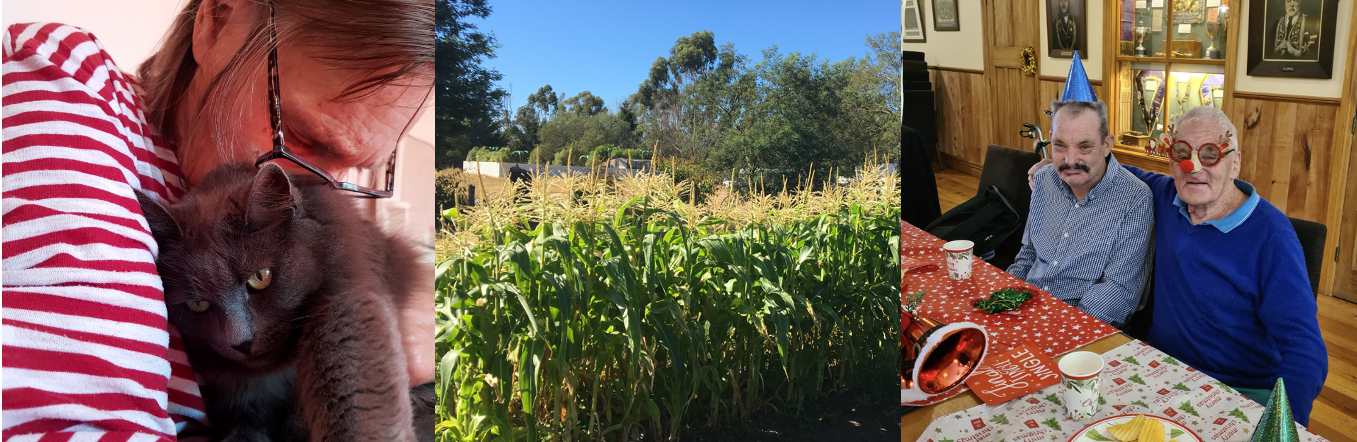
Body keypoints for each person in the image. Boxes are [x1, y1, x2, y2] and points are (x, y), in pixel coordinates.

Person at [1, 0, 433, 438]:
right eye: (301, 137)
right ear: (218, 19)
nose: (323, 187)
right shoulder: (70, 81)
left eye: (356, 168)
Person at [1027, 106, 1328, 425]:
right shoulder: (1163, 194)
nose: (1193, 166)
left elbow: (1306, 351)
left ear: (1235, 162)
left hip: (1238, 390)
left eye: (1210, 153)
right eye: (1181, 152)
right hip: (1157, 368)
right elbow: (1113, 172)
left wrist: (1282, 428)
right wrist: (1066, 163)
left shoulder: (1272, 236)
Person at [1008, 99, 1153, 328]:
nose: (1070, 160)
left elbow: (1120, 290)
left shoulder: (1135, 199)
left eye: (1085, 146)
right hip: (1024, 311)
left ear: (1107, 144)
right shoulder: (1044, 179)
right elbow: (1028, 254)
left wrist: (1061, 328)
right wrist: (1005, 300)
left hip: (1079, 327)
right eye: (1060, 145)